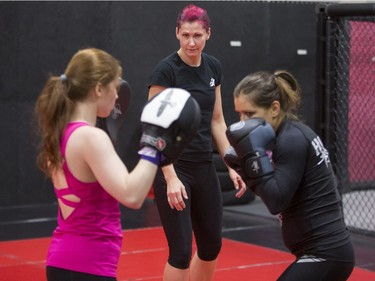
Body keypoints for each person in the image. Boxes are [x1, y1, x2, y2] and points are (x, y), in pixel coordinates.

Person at [34, 47, 200, 281]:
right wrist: (153, 145)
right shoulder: (91, 137)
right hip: (88, 266)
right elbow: (132, 195)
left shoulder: (61, 133)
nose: (116, 96)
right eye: (114, 88)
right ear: (99, 88)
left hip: (63, 261)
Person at [224, 70, 355, 281]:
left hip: (324, 254)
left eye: (249, 113)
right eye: (239, 113)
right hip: (321, 251)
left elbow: (276, 200)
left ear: (274, 108)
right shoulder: (286, 135)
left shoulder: (291, 140)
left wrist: (249, 163)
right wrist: (247, 167)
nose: (242, 121)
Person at [147, 4, 247, 281]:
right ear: (177, 33)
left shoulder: (213, 66)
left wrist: (231, 163)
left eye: (198, 36)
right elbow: (154, 127)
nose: (192, 42)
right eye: (186, 35)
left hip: (203, 167)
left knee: (211, 245)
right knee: (180, 252)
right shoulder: (165, 71)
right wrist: (170, 176)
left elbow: (217, 120)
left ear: (208, 34)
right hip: (174, 168)